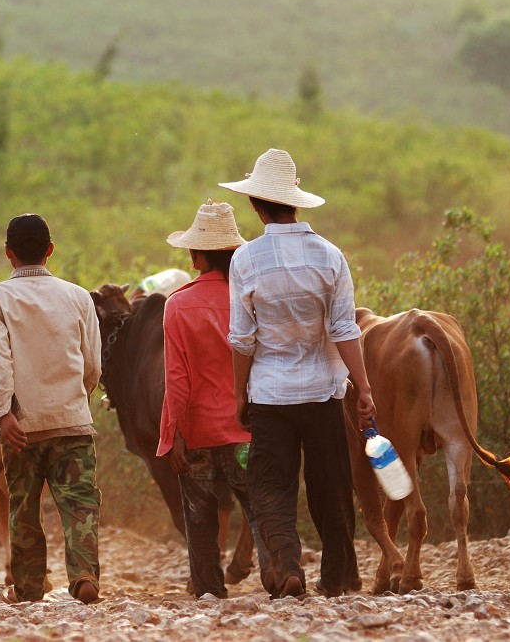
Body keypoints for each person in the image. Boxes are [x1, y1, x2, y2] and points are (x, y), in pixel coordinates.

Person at [220, 148, 377, 599]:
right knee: (332, 488)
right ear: (294, 201)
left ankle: (288, 566)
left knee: (270, 487)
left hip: (270, 396)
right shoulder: (330, 256)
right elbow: (345, 328)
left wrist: (239, 395)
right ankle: (338, 579)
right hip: (324, 393)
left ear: (255, 204)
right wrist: (363, 388)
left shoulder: (246, 260)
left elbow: (242, 338)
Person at [0, 213, 102, 605]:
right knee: (80, 505)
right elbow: (93, 364)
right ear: (50, 251)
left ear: (8, 254)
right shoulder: (78, 296)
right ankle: (83, 576)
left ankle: (28, 589)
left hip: (21, 428)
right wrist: (74, 400)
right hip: (72, 422)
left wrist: (4, 414)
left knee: (23, 510)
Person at [156, 199, 269, 598]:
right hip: (247, 432)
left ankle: (208, 587)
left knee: (200, 516)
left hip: (199, 432)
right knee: (259, 509)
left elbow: (178, 381)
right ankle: (278, 576)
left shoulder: (178, 305)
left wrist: (173, 435)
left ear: (195, 255)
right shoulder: (252, 297)